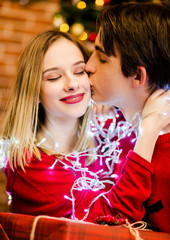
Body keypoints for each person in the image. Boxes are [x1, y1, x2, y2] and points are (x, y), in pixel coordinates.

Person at [0, 30, 169, 229]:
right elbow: (113, 220)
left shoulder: (111, 131)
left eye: (79, 71)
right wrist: (147, 130)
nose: (72, 84)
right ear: (33, 91)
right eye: (54, 77)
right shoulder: (29, 166)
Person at [85, 2, 170, 232]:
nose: (88, 65)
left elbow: (106, 225)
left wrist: (148, 131)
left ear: (137, 75)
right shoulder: (117, 134)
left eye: (102, 58)